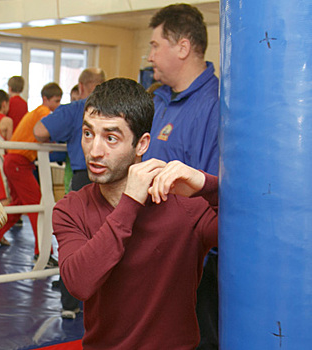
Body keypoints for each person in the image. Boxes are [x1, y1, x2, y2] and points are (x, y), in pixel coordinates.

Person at [53, 78, 218, 349]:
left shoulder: (186, 206)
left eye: (111, 138)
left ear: (141, 145)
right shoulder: (71, 209)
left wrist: (205, 184)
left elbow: (252, 232)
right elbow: (78, 284)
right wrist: (130, 202)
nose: (94, 151)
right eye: (88, 133)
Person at [144, 4, 220, 349]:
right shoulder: (161, 101)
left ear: (183, 47)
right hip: (155, 256)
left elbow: (214, 194)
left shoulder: (216, 105)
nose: (149, 56)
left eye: (155, 45)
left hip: (193, 266)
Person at [34, 68, 105, 318]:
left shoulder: (79, 108)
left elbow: (39, 131)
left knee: (73, 242)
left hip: (84, 179)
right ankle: (104, 303)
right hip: (116, 181)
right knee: (111, 240)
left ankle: (70, 304)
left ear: (82, 87)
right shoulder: (116, 108)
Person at [0, 83, 62, 260]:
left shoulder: (35, 112)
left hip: (14, 161)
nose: (58, 104)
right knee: (38, 208)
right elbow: (49, 130)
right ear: (45, 99)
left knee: (18, 205)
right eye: (56, 100)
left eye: (60, 101)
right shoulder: (43, 111)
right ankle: (43, 254)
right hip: (18, 162)